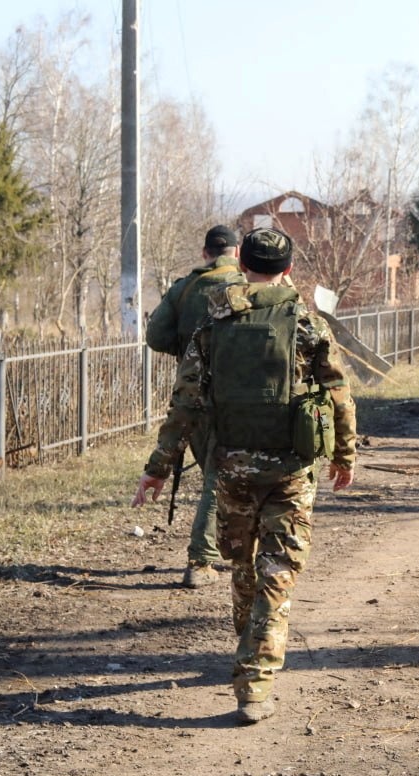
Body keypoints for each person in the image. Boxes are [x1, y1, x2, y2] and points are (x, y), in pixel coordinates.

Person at [132, 227, 357, 725]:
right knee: (278, 573)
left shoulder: (214, 322)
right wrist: (344, 454)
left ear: (243, 265)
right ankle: (255, 676)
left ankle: (248, 648)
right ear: (289, 269)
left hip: (232, 464)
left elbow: (186, 400)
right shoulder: (306, 322)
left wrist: (158, 469)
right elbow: (338, 392)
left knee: (245, 566)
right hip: (292, 468)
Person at [144, 224, 247, 589]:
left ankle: (222, 552)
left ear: (205, 253)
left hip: (192, 396)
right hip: (236, 398)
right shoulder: (246, 287)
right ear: (235, 253)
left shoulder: (184, 287)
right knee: (217, 481)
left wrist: (189, 351)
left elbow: (155, 336)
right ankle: (201, 560)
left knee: (214, 477)